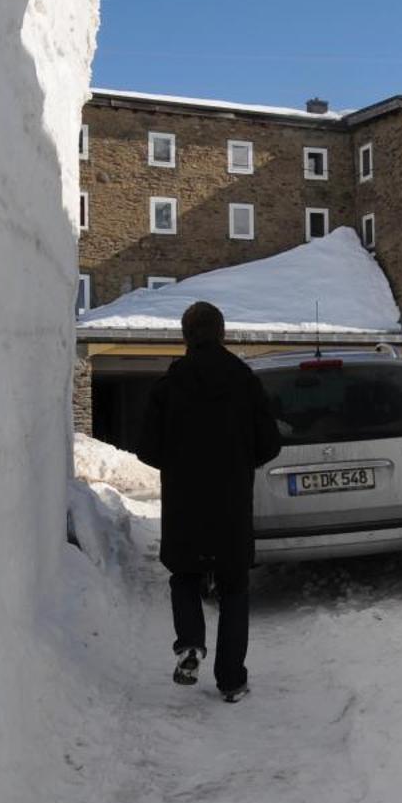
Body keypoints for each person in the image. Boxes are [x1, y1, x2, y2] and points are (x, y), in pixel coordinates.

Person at [133, 301, 282, 702]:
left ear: (186, 336)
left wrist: (178, 463)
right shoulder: (245, 381)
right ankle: (232, 680)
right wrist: (239, 460)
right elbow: (269, 443)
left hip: (185, 503)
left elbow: (146, 448)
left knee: (184, 575)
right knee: (234, 588)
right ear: (222, 333)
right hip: (232, 504)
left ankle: (190, 643)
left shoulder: (168, 386)